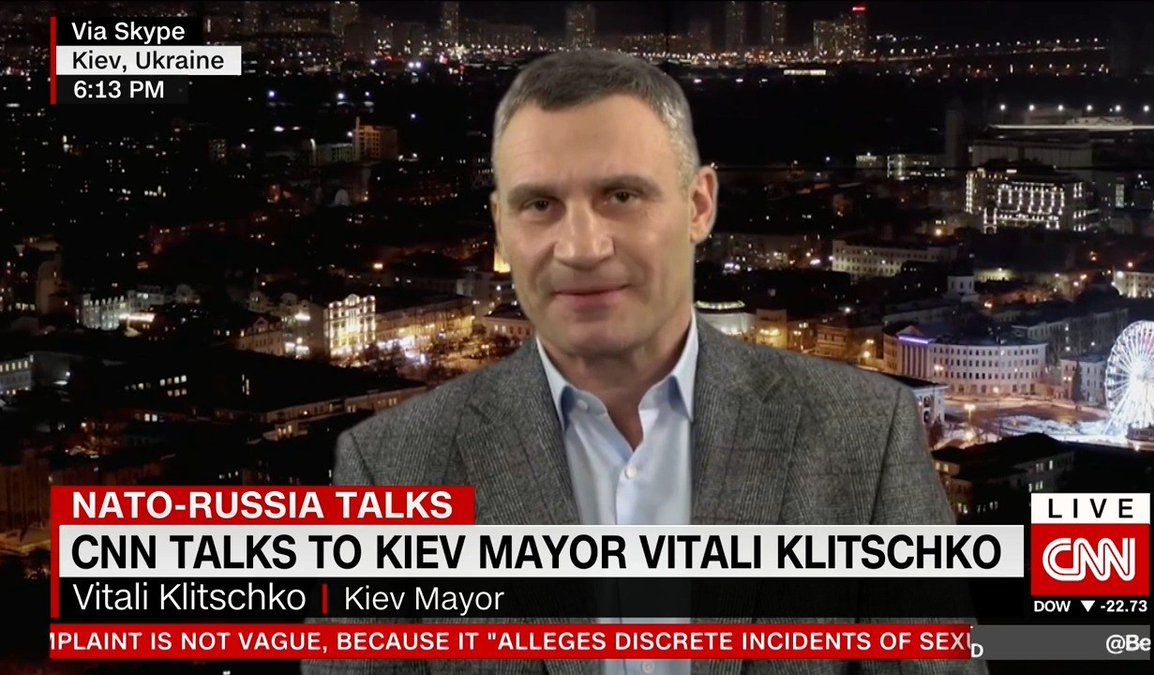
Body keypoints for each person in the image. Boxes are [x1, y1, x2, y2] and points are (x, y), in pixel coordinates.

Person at [304, 49, 985, 675]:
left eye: (621, 196)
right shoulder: (388, 466)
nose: (582, 247)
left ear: (699, 205)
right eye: (539, 204)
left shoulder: (866, 435)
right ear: (502, 226)